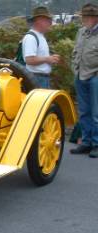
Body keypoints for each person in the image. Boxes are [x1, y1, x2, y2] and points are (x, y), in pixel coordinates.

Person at [70, 3, 98, 158]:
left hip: (95, 76)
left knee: (96, 113)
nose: (84, 19)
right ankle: (86, 143)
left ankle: (96, 144)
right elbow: (76, 52)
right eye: (84, 17)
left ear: (95, 18)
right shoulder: (81, 32)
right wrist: (75, 70)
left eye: (87, 17)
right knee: (84, 112)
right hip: (80, 75)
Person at [21, 6, 60, 88]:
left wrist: (50, 59)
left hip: (41, 78)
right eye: (48, 21)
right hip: (37, 79)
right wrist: (47, 59)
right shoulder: (31, 38)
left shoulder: (40, 36)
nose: (50, 23)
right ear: (39, 21)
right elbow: (29, 60)